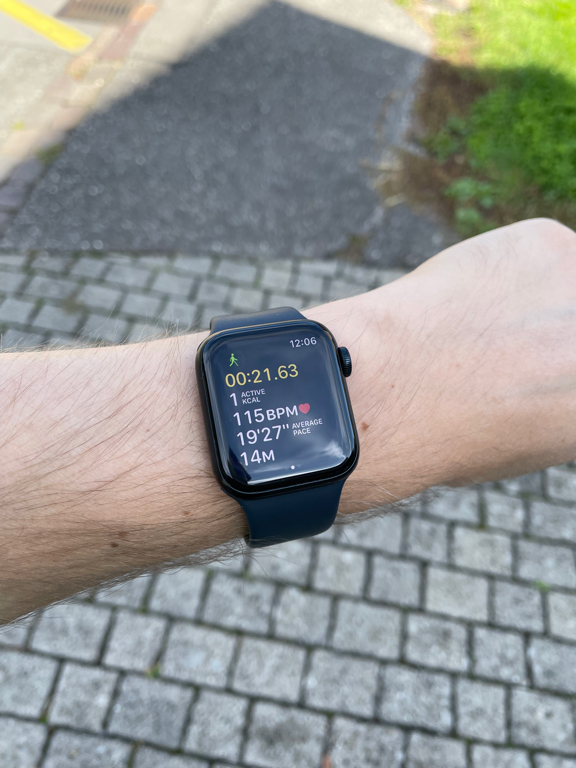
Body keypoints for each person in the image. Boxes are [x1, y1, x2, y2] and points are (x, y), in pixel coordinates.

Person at [2, 218, 576, 625]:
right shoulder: (236, 368)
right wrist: (412, 370)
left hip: (310, 462)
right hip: (290, 467)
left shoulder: (288, 369)